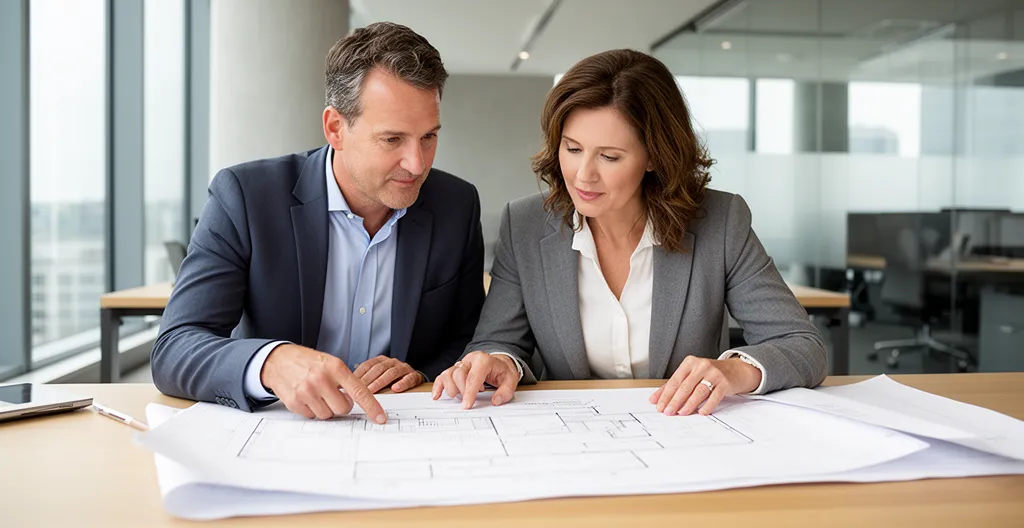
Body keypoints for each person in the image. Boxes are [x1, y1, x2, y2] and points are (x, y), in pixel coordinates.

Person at [433, 49, 827, 416]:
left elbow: (803, 346)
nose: (583, 174)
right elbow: (498, 341)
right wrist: (499, 362)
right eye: (572, 149)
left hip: (685, 432)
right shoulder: (525, 224)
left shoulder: (720, 221)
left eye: (609, 156)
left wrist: (736, 371)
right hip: (567, 435)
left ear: (654, 155)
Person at [152, 22, 486, 422]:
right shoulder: (245, 196)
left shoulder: (456, 204)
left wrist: (422, 371)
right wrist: (270, 363)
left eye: (428, 137)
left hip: (402, 429)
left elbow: (469, 341)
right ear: (335, 128)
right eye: (392, 140)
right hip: (280, 432)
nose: (417, 164)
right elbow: (175, 347)